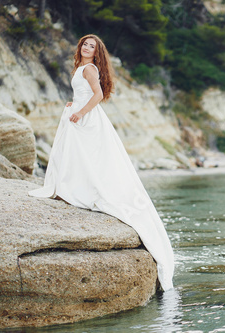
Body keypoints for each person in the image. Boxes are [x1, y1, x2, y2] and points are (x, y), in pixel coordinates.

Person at [28, 34, 174, 291]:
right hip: (79, 113)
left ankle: (81, 190)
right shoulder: (80, 67)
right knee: (78, 157)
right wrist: (75, 103)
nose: (86, 47)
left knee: (91, 158)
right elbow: (84, 93)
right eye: (84, 44)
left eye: (91, 46)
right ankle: (71, 187)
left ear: (97, 52)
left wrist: (81, 112)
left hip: (87, 119)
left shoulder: (91, 68)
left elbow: (98, 94)